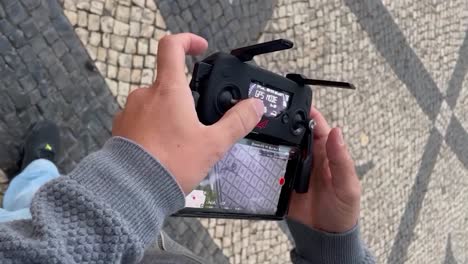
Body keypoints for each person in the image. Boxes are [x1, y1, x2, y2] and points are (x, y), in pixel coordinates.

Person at [0, 33, 375, 263]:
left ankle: (36, 177)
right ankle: (38, 176)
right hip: (147, 246)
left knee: (34, 203)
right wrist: (333, 250)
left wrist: (133, 180)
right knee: (40, 196)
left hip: (85, 238)